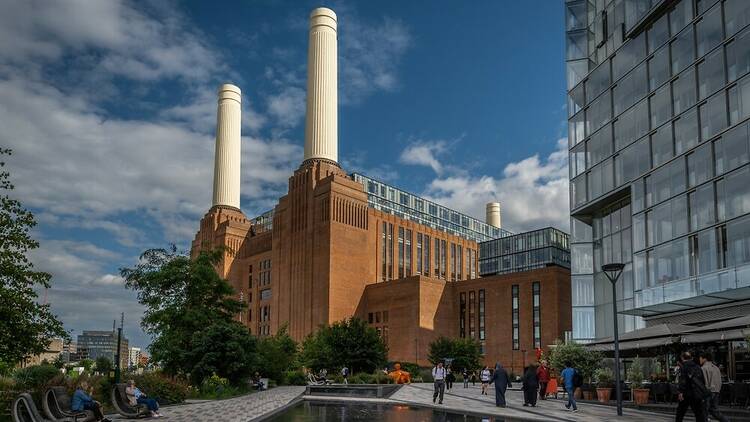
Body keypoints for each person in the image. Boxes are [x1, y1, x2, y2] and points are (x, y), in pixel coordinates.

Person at [676, 352, 708, 422]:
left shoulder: (683, 366)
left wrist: (680, 392)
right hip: (696, 393)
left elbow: (682, 380)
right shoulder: (697, 367)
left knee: (680, 413)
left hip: (686, 393)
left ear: (682, 358)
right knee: (698, 413)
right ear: (691, 358)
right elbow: (702, 380)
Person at [699, 352, 728, 422]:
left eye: (700, 358)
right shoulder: (716, 368)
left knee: (704, 412)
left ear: (704, 359)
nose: (699, 359)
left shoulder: (703, 368)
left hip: (707, 392)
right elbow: (719, 381)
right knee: (714, 411)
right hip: (716, 391)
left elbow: (704, 382)